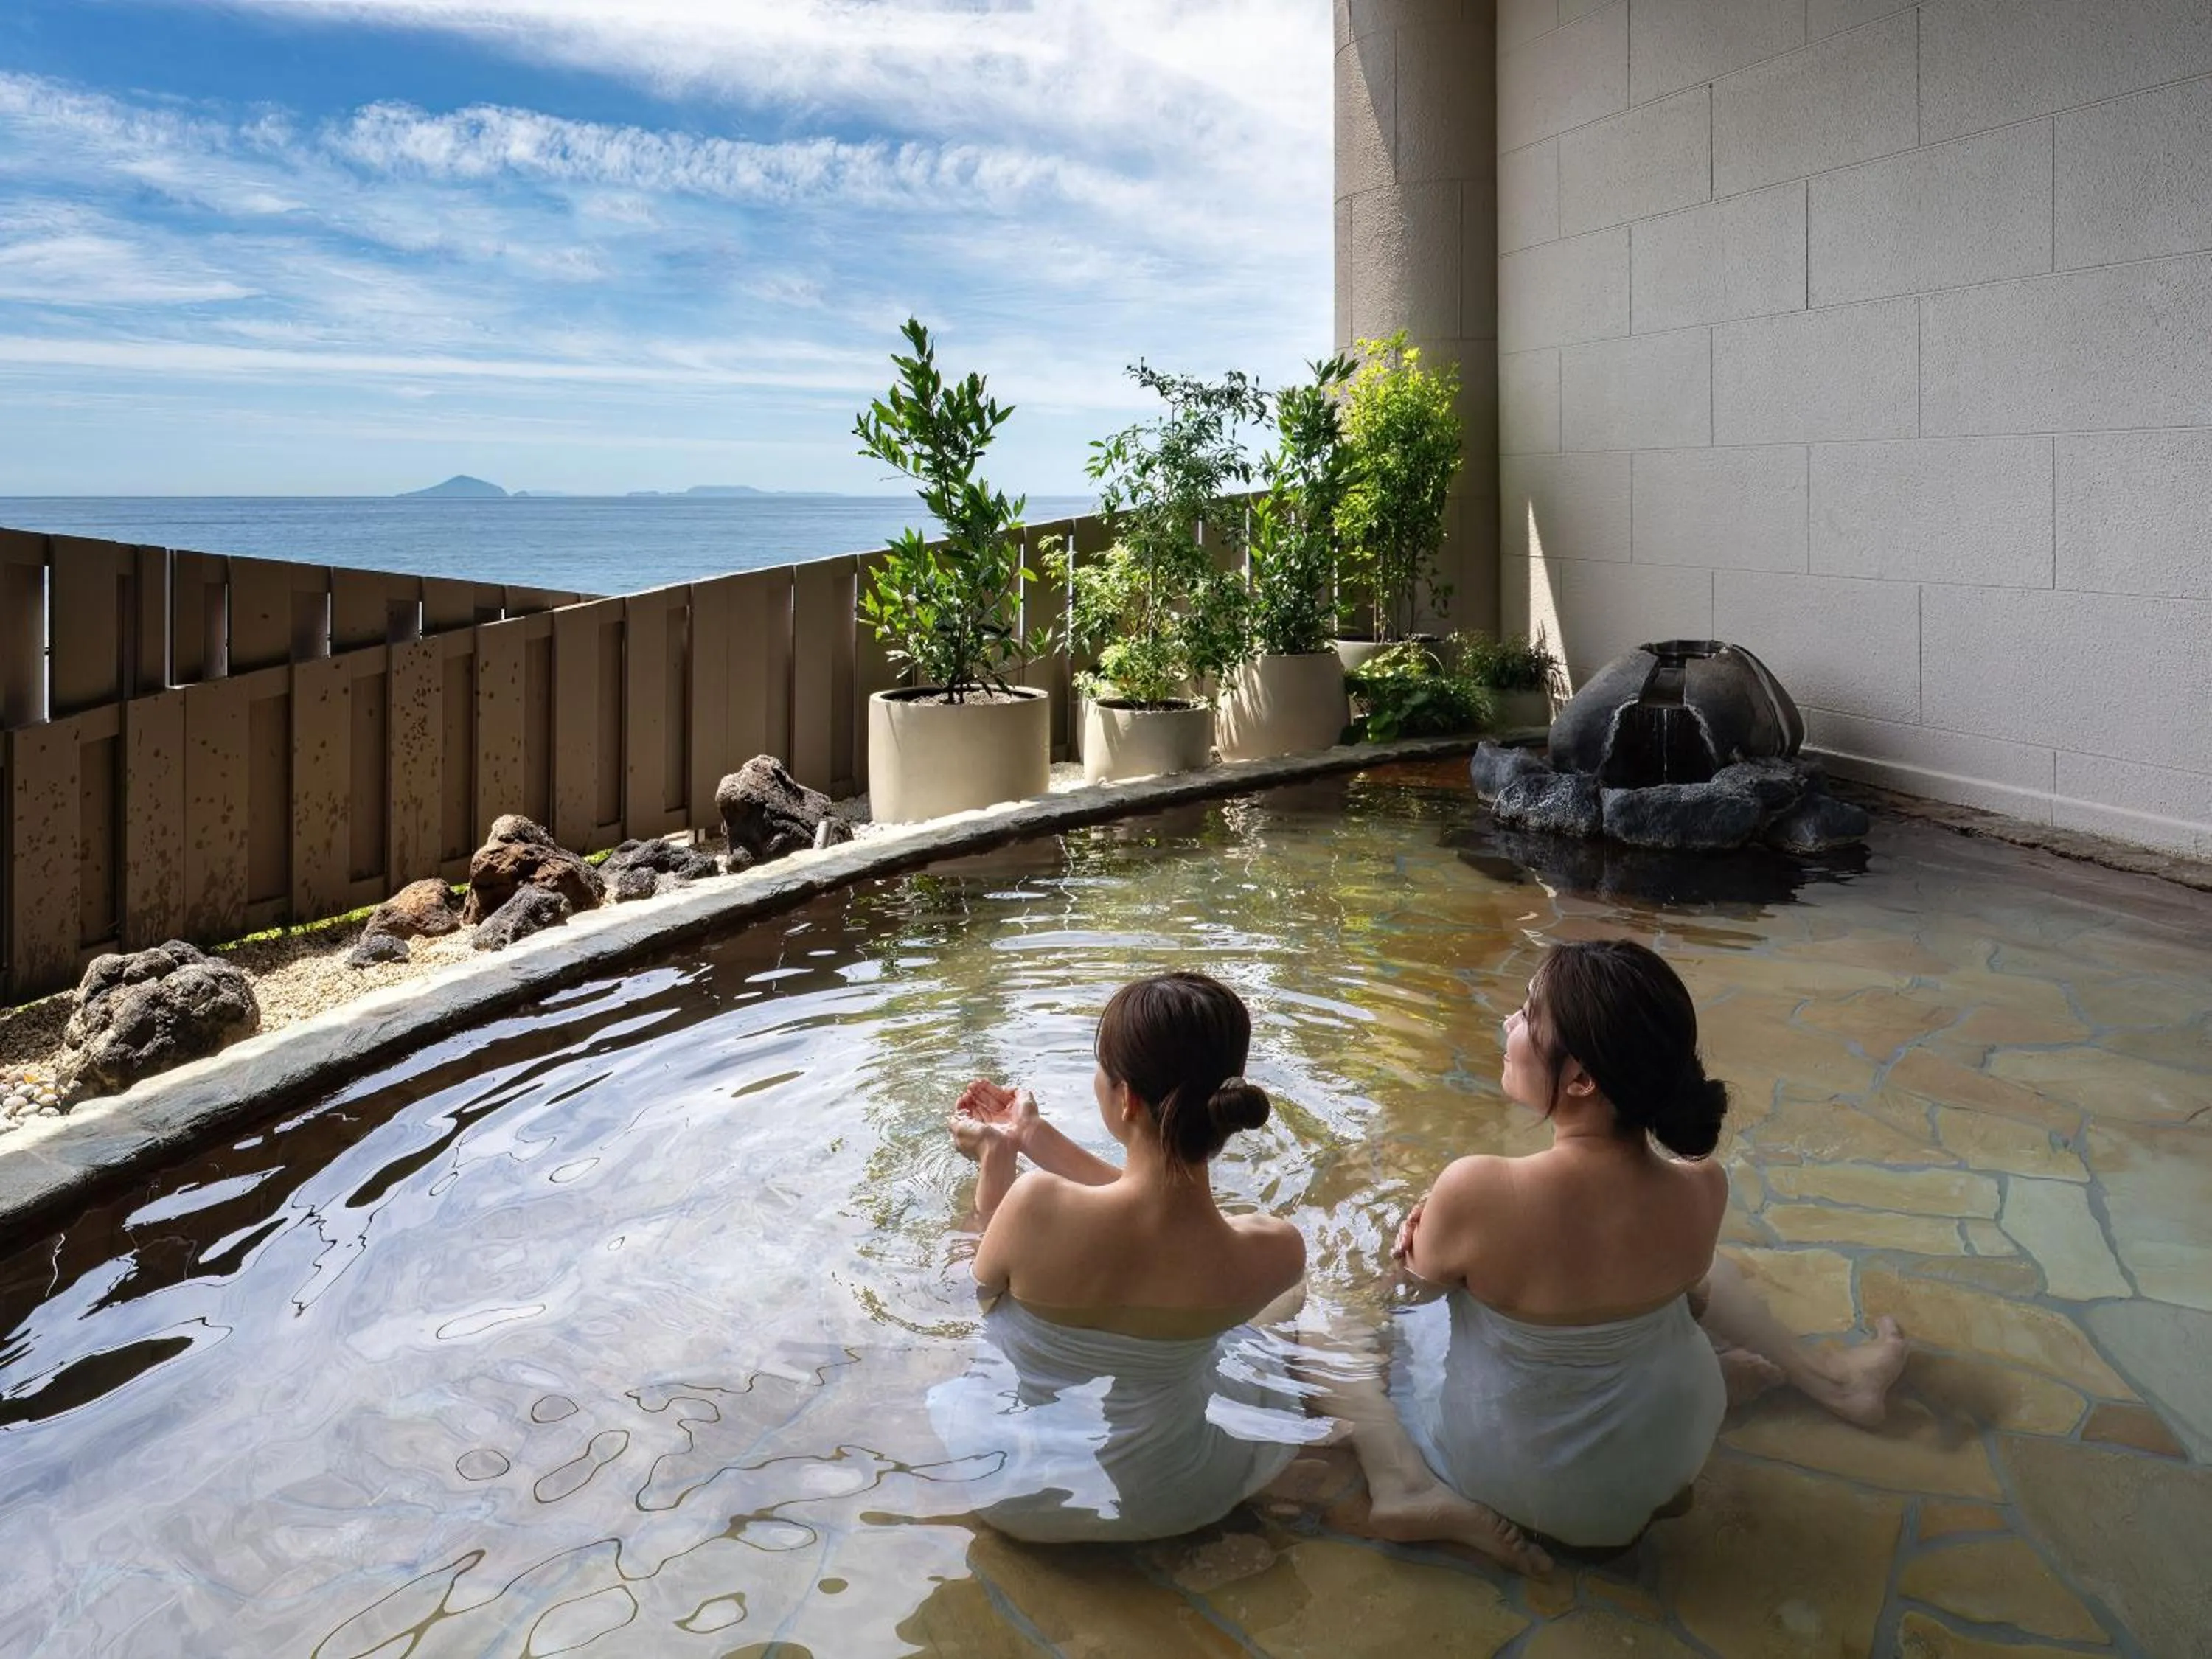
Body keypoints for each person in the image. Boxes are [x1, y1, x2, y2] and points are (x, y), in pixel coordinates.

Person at [1311, 939, 1907, 1574]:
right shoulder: (1702, 1184)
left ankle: (1400, 1484)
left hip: (1513, 1475)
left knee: (1324, 1314)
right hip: (1668, 1455)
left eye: (1526, 1015)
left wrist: (1418, 1239)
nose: (1508, 1026)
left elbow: (1401, 1301)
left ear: (1582, 1079)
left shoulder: (1476, 1187)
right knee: (1704, 1273)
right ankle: (1832, 1382)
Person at [928, 970, 1315, 1542]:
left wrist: (996, 1158)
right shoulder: (1275, 1249)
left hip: (1020, 1491)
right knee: (1289, 1308)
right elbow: (1161, 1213)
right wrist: (1038, 1139)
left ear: (1125, 1096)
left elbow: (970, 1286)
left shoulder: (1037, 1206)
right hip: (1181, 1496)